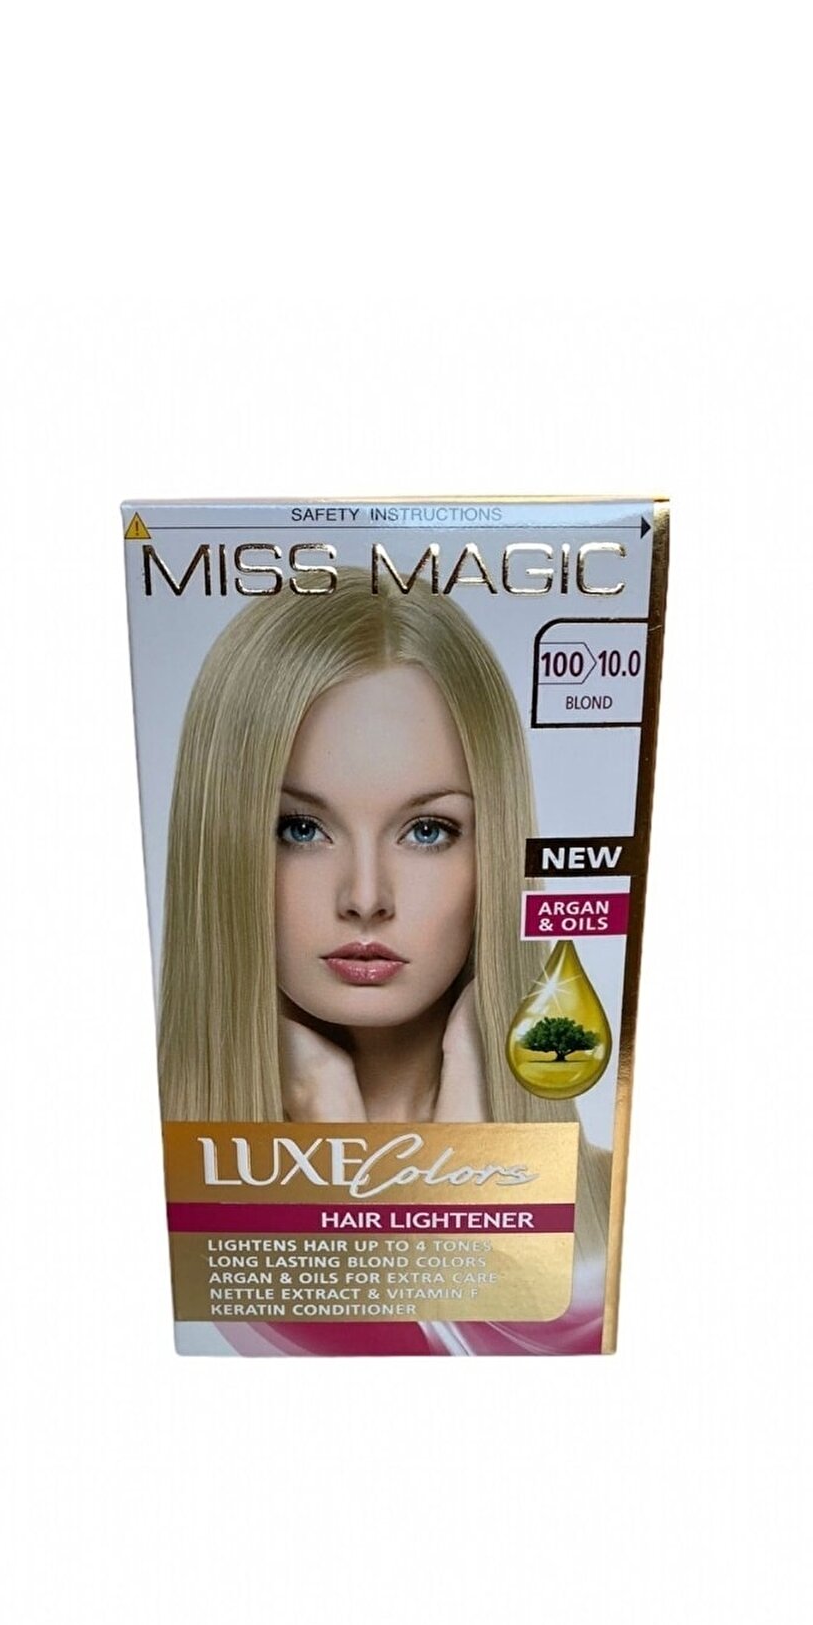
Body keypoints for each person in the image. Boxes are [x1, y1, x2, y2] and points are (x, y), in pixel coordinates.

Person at [159, 567, 611, 1353]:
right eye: (300, 829)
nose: (366, 897)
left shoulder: (612, 1209)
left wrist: (462, 1153)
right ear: (221, 845)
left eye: (427, 831)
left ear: (492, 852)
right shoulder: (157, 1205)